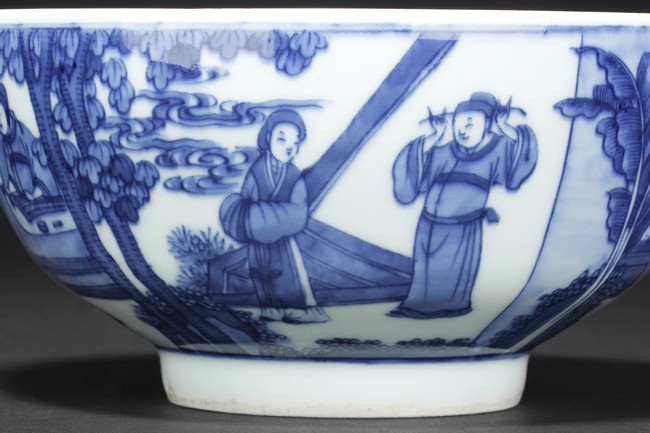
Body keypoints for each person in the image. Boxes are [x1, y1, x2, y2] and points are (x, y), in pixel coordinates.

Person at [389, 92, 538, 319]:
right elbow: (412, 171)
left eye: (471, 123)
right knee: (424, 274)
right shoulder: (443, 151)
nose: (463, 129)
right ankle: (416, 307)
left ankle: (450, 308)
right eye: (458, 123)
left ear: (488, 125)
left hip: (462, 227)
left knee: (452, 274)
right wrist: (434, 136)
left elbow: (522, 158)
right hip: (428, 225)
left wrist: (505, 127)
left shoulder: (499, 150)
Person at [219, 109, 329, 324]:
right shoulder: (257, 171)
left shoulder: (294, 175)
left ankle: (300, 309)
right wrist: (257, 218)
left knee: (288, 271)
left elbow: (298, 212)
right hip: (257, 240)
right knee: (260, 271)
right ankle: (270, 308)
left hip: (283, 240)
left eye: (295, 143)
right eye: (281, 139)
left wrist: (261, 217)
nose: (289, 147)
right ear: (268, 137)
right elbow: (246, 202)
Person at [0, 83, 58, 198]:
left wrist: (36, 193)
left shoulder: (23, 135)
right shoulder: (1, 141)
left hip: (37, 198)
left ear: (5, 108)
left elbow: (42, 171)